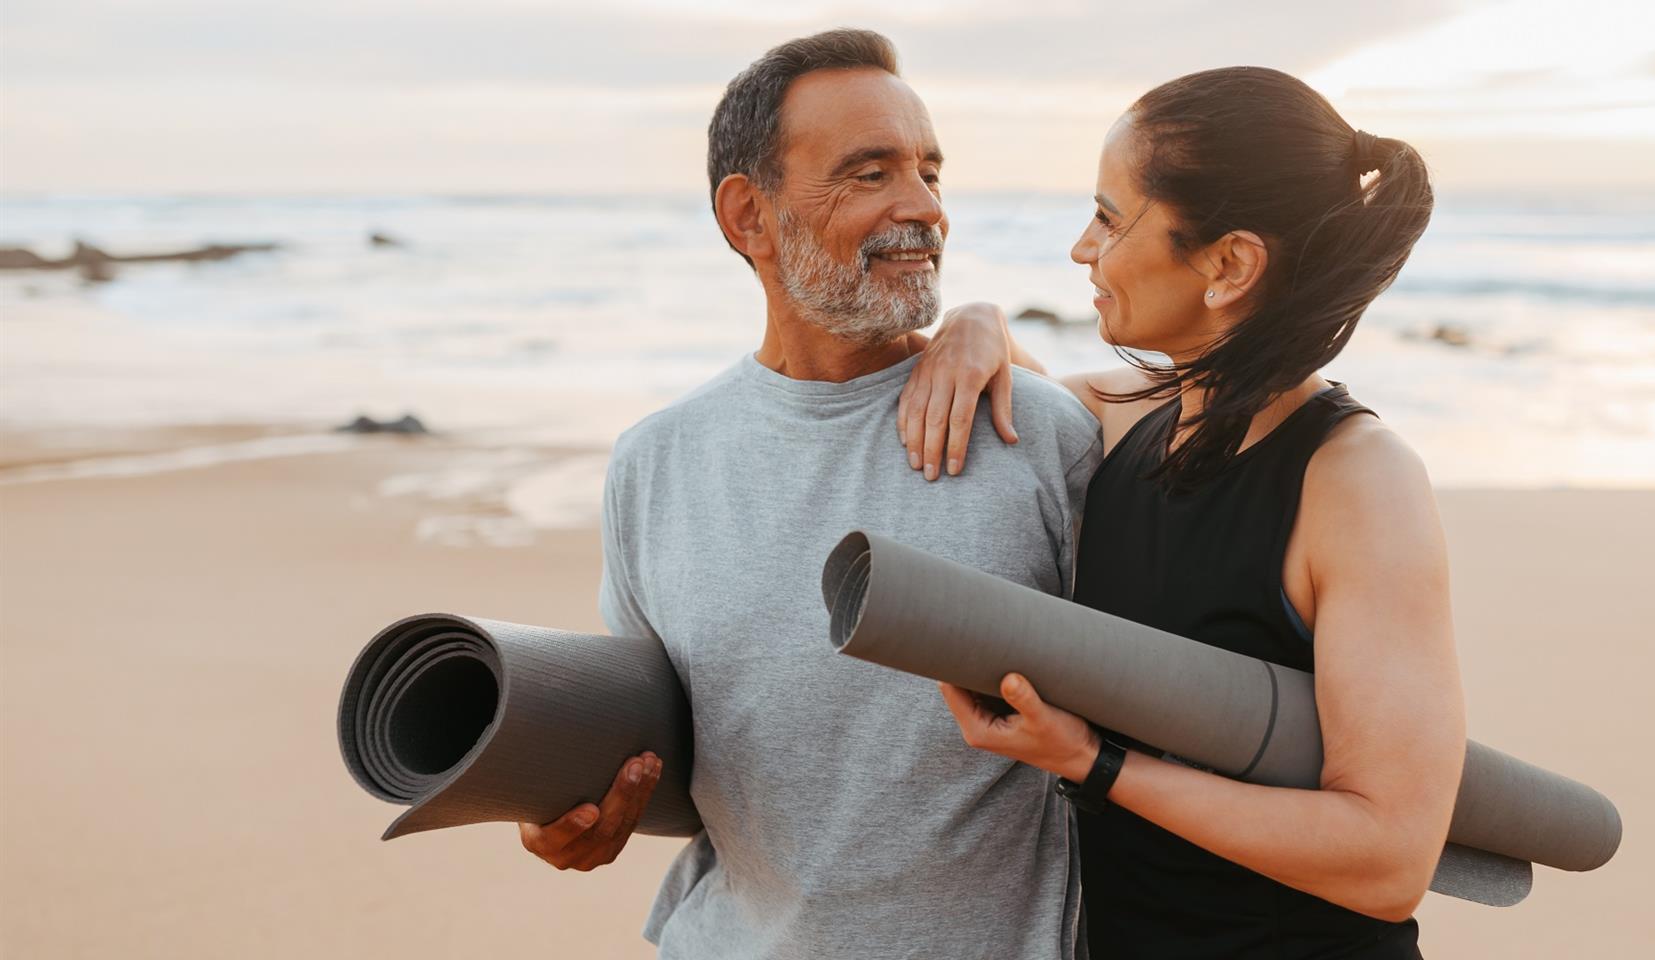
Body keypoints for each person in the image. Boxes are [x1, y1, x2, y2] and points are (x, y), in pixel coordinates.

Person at [513, 29, 1101, 960]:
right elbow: (657, 752)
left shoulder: (1035, 433)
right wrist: (573, 812)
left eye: (931, 174)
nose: (924, 210)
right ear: (749, 216)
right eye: (869, 175)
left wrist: (989, 323)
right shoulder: (655, 464)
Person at [898, 67, 1463, 958]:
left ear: (1230, 264)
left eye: (1110, 218)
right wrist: (974, 317)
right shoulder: (1128, 419)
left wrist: (1094, 763)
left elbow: (1389, 858)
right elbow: (1022, 383)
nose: (1083, 250)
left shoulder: (1356, 481)